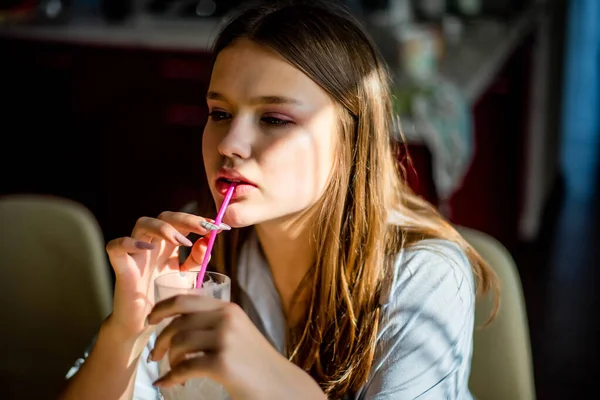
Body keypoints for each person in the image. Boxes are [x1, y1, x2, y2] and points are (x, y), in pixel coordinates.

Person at [59, 1, 499, 399]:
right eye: (219, 113)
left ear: (351, 138)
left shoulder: (424, 277)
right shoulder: (193, 254)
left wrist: (268, 376)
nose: (230, 143)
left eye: (274, 118)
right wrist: (126, 330)